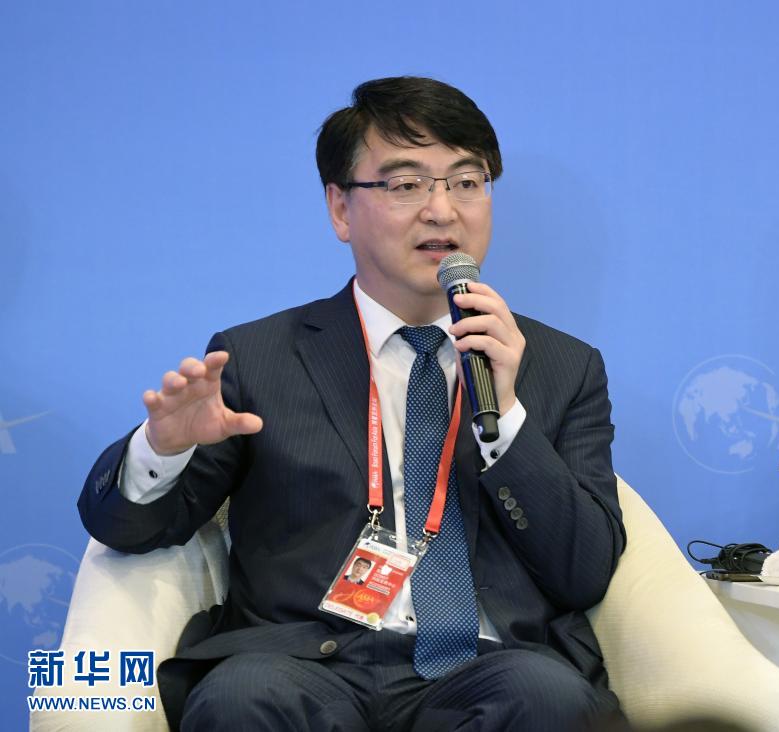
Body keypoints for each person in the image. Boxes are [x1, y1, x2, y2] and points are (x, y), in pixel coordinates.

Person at [78, 76, 625, 732]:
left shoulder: (562, 367)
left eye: (466, 182)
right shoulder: (259, 357)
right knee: (240, 697)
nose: (442, 210)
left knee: (549, 699)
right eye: (406, 184)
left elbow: (584, 574)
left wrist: (505, 418)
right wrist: (162, 449)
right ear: (340, 208)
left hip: (488, 667)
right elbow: (129, 531)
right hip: (303, 662)